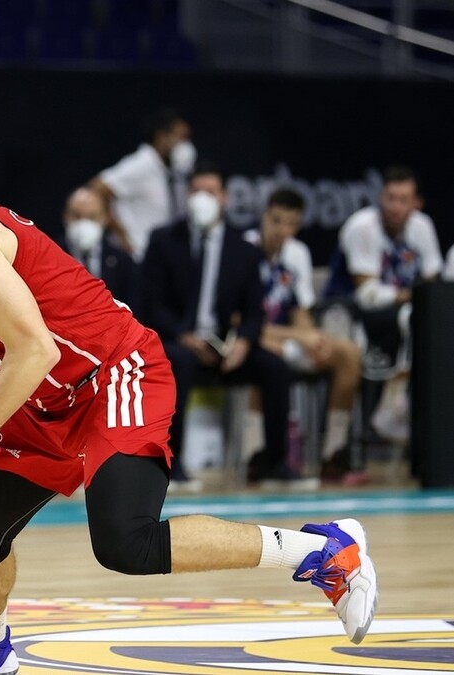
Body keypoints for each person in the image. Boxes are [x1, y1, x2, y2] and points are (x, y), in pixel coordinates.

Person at [0, 86, 378, 675]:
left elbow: (36, 348)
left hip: (115, 372)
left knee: (126, 542)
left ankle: (325, 551)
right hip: (46, 393)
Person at [141, 166, 297, 486]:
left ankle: (274, 463)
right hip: (179, 342)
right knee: (177, 363)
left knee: (275, 367)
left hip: (224, 348)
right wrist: (182, 335)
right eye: (196, 191)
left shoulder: (244, 250)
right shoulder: (164, 240)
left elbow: (254, 312)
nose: (202, 199)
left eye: (210, 192)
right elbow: (150, 304)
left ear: (224, 197)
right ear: (187, 195)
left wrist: (243, 344)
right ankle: (172, 464)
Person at [245, 187, 364, 483]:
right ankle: (256, 456)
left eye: (291, 224)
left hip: (285, 338)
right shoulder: (242, 249)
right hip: (248, 338)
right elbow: (239, 320)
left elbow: (300, 311)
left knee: (348, 354)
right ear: (264, 217)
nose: (282, 230)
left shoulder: (297, 253)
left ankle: (333, 455)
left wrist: (313, 337)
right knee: (268, 359)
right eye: (276, 221)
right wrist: (299, 337)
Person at [334, 166, 442, 443]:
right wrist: (410, 296)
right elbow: (366, 291)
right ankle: (393, 405)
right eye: (390, 198)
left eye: (403, 200)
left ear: (416, 203)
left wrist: (414, 297)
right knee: (411, 317)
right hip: (351, 310)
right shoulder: (363, 227)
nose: (395, 207)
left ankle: (418, 411)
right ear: (381, 197)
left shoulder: (423, 226)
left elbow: (433, 280)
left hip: (400, 311)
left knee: (428, 320)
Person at [88, 107, 194, 262]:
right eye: (181, 138)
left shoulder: (171, 170)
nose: (185, 145)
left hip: (160, 256)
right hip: (137, 256)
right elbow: (96, 188)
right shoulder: (142, 164)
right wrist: (121, 235)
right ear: (162, 137)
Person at [53, 186, 139, 307]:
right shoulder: (51, 255)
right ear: (65, 216)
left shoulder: (121, 261)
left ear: (106, 218)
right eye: (77, 216)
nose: (83, 223)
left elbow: (134, 305)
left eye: (92, 217)